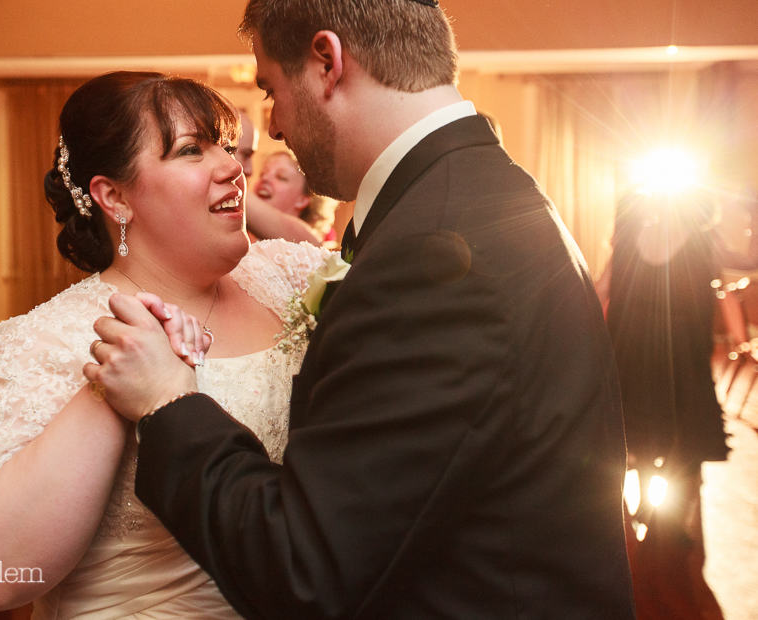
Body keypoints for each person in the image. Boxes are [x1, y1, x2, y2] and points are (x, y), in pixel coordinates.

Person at [87, 1, 636, 618]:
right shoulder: (481, 191)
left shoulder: (434, 250)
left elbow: (305, 567)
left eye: (271, 89)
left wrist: (169, 401)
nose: (271, 128)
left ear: (327, 62)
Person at [0, 71, 332, 617]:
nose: (231, 166)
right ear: (114, 196)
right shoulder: (45, 340)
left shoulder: (291, 276)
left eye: (224, 145)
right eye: (192, 150)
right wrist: (112, 388)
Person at [596, 190, 729, 619]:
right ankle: (662, 556)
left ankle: (639, 552)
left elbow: (602, 291)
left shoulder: (635, 236)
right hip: (673, 378)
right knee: (674, 469)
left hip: (641, 370)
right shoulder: (698, 244)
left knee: (626, 462)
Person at [251, 150, 338, 244]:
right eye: (262, 173)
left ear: (302, 200)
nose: (265, 178)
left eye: (281, 177)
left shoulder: (305, 242)